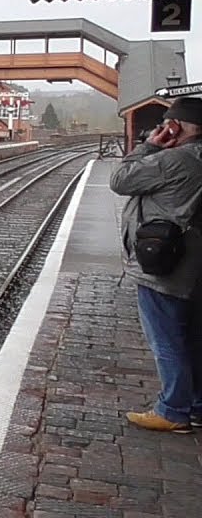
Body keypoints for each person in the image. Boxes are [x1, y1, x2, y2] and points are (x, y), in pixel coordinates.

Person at [109, 96, 202, 433]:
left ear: (175, 126)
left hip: (166, 265)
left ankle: (173, 410)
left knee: (166, 339)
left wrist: (148, 146)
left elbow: (120, 180)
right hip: (194, 265)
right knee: (193, 337)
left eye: (167, 124)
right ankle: (195, 405)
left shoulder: (174, 161)